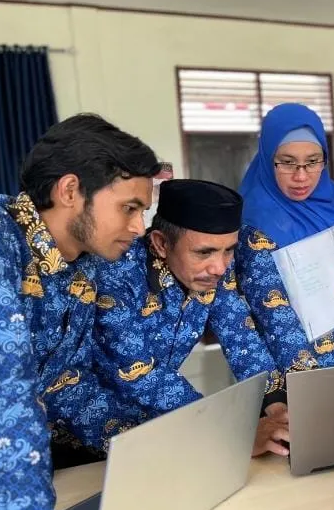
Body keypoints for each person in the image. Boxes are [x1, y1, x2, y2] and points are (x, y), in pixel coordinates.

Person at [0, 114, 160, 510]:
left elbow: (66, 384)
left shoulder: (82, 267)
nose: (139, 227)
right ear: (70, 190)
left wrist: (162, 446)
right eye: (129, 208)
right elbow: (5, 395)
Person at [91, 179, 288, 457]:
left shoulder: (212, 273)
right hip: (88, 438)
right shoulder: (117, 276)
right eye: (204, 252)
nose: (219, 267)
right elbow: (141, 373)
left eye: (229, 250)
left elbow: (241, 338)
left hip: (159, 434)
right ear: (161, 243)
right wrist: (231, 432)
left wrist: (278, 409)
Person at [236, 103, 334, 389]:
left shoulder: (333, 200)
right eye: (287, 163)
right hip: (297, 376)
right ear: (268, 157)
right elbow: (274, 314)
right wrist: (309, 382)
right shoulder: (256, 222)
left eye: (312, 161)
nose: (301, 176)